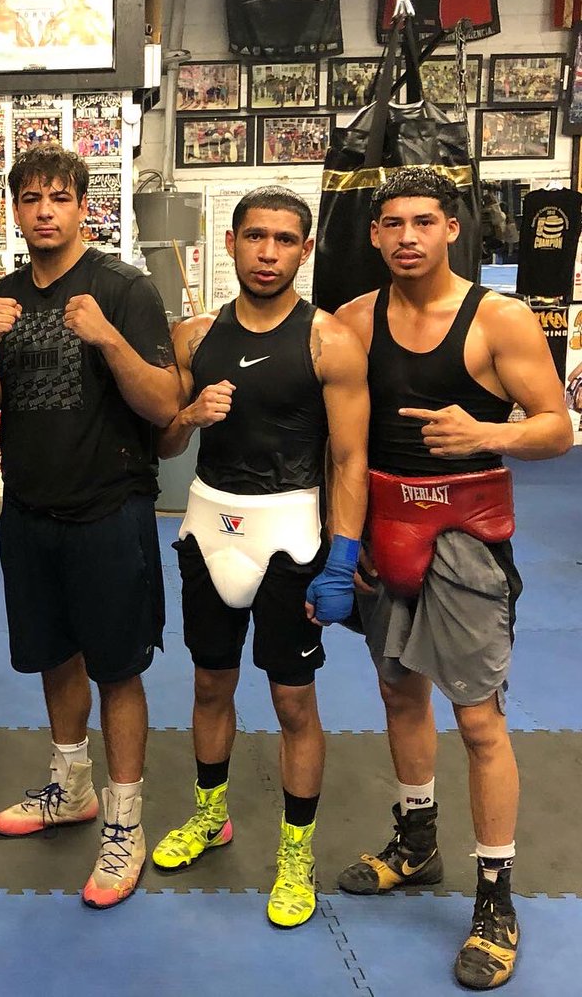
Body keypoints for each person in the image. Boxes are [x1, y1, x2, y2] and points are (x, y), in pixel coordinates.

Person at [334, 166, 572, 990]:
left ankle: (496, 894)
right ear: (372, 235)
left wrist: (485, 433)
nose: (407, 237)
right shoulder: (356, 319)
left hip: (467, 539)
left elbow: (558, 429)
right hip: (383, 529)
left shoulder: (497, 319)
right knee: (400, 693)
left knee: (478, 723)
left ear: (452, 228)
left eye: (424, 221)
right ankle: (417, 840)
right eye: (392, 223)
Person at [0, 145, 179, 909]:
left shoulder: (124, 287)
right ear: (16, 210)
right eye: (31, 199)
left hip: (109, 508)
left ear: (83, 206)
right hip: (27, 510)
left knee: (118, 669)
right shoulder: (4, 294)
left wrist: (109, 339)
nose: (45, 210)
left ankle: (125, 823)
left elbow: (163, 404)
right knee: (55, 656)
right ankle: (72, 787)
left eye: (59, 197)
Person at [148, 186, 369, 929]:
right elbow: (165, 444)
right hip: (210, 525)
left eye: (283, 239)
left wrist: (342, 559)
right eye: (254, 237)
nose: (268, 252)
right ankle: (211, 817)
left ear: (304, 249)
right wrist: (187, 414)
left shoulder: (328, 341)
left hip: (291, 535)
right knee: (211, 684)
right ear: (232, 243)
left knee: (291, 700)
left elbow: (350, 459)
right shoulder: (195, 335)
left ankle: (295, 854)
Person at [38, 0, 112, 47]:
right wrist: (45, 39)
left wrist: (97, 32)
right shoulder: (57, 21)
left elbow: (111, 43)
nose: (72, 0)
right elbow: (40, 50)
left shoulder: (93, 17)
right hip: (63, 59)